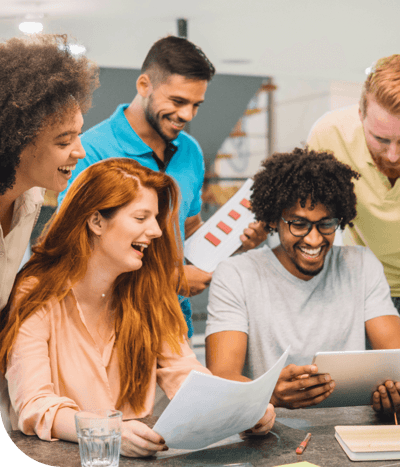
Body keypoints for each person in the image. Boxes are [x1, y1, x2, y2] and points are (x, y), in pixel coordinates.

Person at [0, 158, 275, 456]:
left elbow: (185, 373)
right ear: (96, 221)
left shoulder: (150, 290)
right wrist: (108, 431)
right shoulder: (35, 291)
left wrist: (241, 411)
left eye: (156, 218)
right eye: (141, 217)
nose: (157, 231)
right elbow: (34, 404)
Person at [59, 35, 267, 337]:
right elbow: (74, 247)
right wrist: (168, 279)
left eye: (196, 104)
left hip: (172, 325)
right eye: (178, 101)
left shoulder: (190, 151)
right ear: (144, 85)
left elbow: (190, 229)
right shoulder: (90, 151)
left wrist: (236, 242)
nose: (187, 115)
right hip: (107, 326)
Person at [205, 148, 400, 414]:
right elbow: (221, 380)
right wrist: (270, 394)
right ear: (274, 219)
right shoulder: (236, 274)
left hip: (352, 430)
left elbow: (395, 358)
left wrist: (394, 395)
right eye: (298, 224)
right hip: (270, 434)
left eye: (325, 224)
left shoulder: (361, 264)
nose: (314, 239)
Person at [0, 33, 99, 313]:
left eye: (78, 135)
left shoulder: (30, 196)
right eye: (64, 141)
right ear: (15, 141)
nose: (79, 151)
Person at [308, 54, 400, 314]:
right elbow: (311, 217)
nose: (393, 155)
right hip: (366, 288)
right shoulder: (330, 134)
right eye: (381, 139)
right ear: (361, 115)